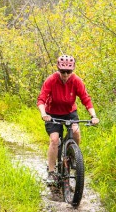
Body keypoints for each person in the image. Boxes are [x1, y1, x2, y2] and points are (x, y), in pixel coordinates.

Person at [37, 55, 99, 183]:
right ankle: (51, 171)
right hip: (52, 113)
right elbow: (41, 99)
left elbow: (86, 99)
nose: (65, 75)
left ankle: (71, 154)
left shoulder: (76, 81)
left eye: (68, 72)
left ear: (72, 70)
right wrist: (44, 114)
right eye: (63, 71)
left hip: (70, 112)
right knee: (54, 139)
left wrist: (93, 116)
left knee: (76, 132)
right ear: (58, 69)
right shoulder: (51, 80)